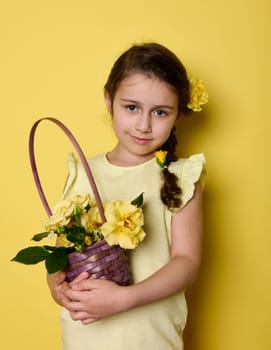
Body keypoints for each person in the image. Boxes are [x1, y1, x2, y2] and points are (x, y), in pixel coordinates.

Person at [47, 42, 207, 349]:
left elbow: (186, 261)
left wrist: (124, 298)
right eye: (131, 107)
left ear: (178, 115)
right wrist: (57, 287)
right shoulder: (83, 172)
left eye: (160, 112)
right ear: (109, 101)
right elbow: (59, 253)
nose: (144, 125)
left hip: (150, 338)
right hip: (86, 337)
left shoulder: (181, 176)